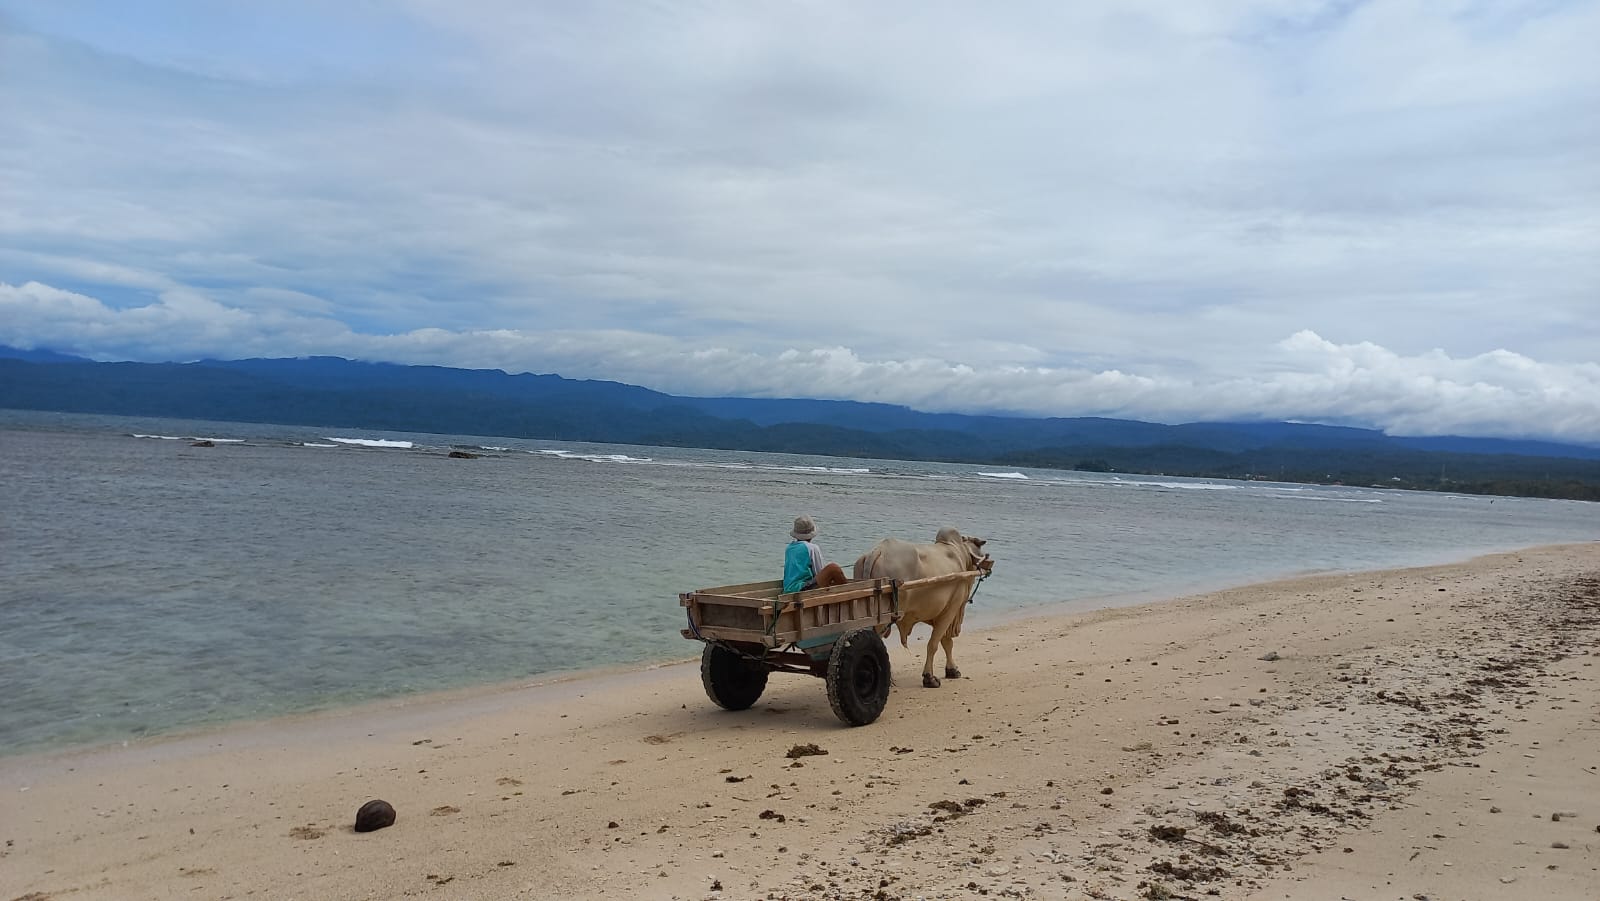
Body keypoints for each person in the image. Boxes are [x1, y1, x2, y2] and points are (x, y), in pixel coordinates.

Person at [783, 515, 848, 593]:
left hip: (788, 589)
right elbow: (819, 571)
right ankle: (847, 592)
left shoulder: (789, 548)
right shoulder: (811, 547)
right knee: (833, 568)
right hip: (802, 588)